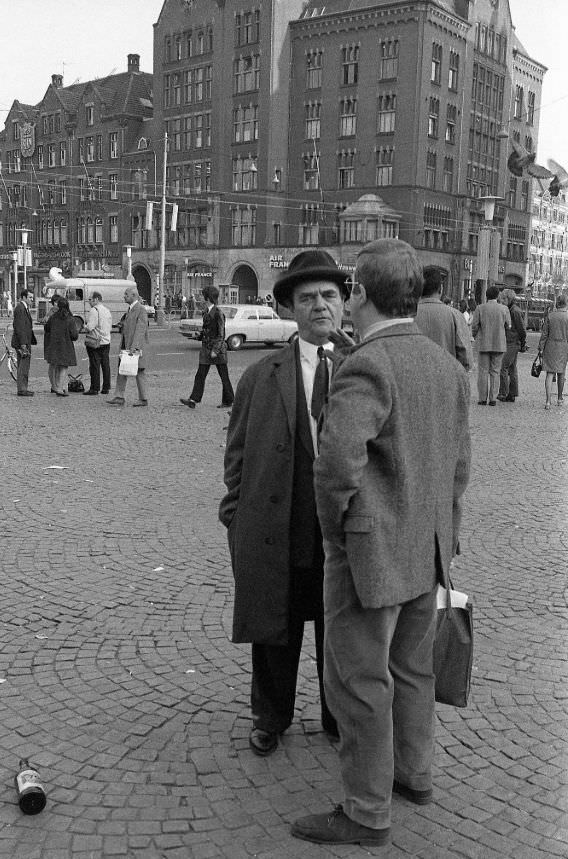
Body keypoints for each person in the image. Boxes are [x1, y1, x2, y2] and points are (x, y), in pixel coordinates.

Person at [291, 238, 471, 848]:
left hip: (370, 549)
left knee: (360, 681)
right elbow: (458, 468)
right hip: (429, 547)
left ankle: (367, 811)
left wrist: (334, 535)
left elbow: (336, 464)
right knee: (413, 669)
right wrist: (445, 534)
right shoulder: (447, 366)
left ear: (361, 293)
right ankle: (413, 775)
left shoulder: (368, 363)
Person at [219, 250, 350, 758]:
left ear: (344, 303)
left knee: (339, 631)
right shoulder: (261, 375)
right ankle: (270, 716)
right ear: (290, 309)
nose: (320, 306)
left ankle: (337, 717)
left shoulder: (361, 369)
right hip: (278, 522)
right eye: (307, 298)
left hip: (338, 531)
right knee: (276, 627)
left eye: (329, 296)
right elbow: (237, 453)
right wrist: (235, 515)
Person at [180, 284, 234, 409]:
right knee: (200, 375)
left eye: (203, 296)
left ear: (208, 298)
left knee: (224, 376)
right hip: (206, 349)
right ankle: (193, 399)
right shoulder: (207, 312)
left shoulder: (218, 313)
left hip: (217, 350)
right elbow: (207, 331)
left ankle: (229, 400)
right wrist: (199, 335)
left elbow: (221, 334)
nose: (202, 298)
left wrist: (215, 350)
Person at [415, 268, 472, 370]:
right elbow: (466, 358)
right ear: (440, 288)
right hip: (447, 377)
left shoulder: (408, 315)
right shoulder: (455, 315)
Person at [107, 286, 150, 407]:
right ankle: (119, 396)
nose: (124, 296)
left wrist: (134, 346)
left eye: (126, 294)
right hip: (126, 346)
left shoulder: (140, 309)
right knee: (122, 370)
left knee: (139, 371)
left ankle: (143, 398)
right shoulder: (130, 309)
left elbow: (141, 329)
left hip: (134, 347)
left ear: (134, 296)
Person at [472, 285, 511, 405]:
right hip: (499, 343)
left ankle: (482, 398)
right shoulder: (504, 309)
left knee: (483, 371)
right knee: (495, 371)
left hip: (484, 343)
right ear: (497, 296)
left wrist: (475, 335)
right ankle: (493, 398)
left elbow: (474, 326)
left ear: (486, 296)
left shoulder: (480, 308)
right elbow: (508, 326)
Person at [44, 296, 78, 397]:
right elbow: (74, 335)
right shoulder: (70, 319)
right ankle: (59, 388)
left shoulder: (53, 317)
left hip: (53, 344)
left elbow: (47, 328)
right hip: (65, 345)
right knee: (63, 366)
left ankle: (54, 386)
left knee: (53, 365)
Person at [538, 294, 568, 409]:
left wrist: (540, 348)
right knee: (561, 373)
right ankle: (560, 398)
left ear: (557, 303)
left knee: (549, 374)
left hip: (550, 346)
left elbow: (544, 334)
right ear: (566, 303)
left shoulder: (550, 316)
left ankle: (548, 401)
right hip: (563, 347)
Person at [497, 289, 527, 403]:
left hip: (512, 342)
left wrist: (522, 342)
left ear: (509, 299)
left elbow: (522, 329)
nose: (502, 301)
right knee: (512, 369)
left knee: (503, 367)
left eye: (504, 299)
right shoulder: (510, 309)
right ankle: (512, 393)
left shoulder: (515, 311)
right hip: (510, 341)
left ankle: (503, 393)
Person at [82, 292, 112, 396]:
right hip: (106, 340)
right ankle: (106, 387)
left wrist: (85, 326)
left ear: (96, 299)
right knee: (105, 364)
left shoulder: (94, 310)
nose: (89, 302)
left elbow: (90, 326)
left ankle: (94, 388)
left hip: (95, 341)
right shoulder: (107, 310)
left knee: (94, 365)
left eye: (90, 299)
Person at [11, 288, 37, 397]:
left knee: (24, 365)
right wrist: (23, 344)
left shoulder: (24, 308)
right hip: (23, 342)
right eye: (30, 297)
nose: (32, 299)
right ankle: (22, 389)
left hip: (25, 341)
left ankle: (23, 388)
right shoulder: (20, 308)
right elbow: (20, 327)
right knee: (23, 366)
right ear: (24, 297)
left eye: (32, 297)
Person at [43, 294, 60, 393]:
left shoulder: (56, 312)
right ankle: (54, 385)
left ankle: (56, 384)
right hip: (52, 342)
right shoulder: (51, 313)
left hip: (54, 342)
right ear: (55, 303)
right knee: (53, 364)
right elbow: (48, 328)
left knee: (56, 364)